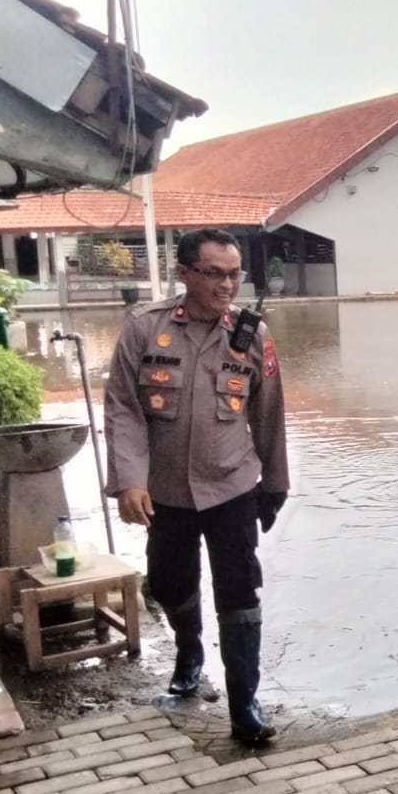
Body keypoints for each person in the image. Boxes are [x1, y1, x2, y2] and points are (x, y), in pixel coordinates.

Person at [102, 228, 289, 745]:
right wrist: (128, 482)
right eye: (214, 273)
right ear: (185, 273)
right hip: (164, 494)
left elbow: (269, 413)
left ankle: (243, 704)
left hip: (231, 486)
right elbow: (123, 409)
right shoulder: (145, 329)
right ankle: (189, 653)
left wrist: (274, 486)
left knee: (239, 591)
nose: (227, 285)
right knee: (168, 583)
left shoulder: (252, 334)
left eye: (234, 274)